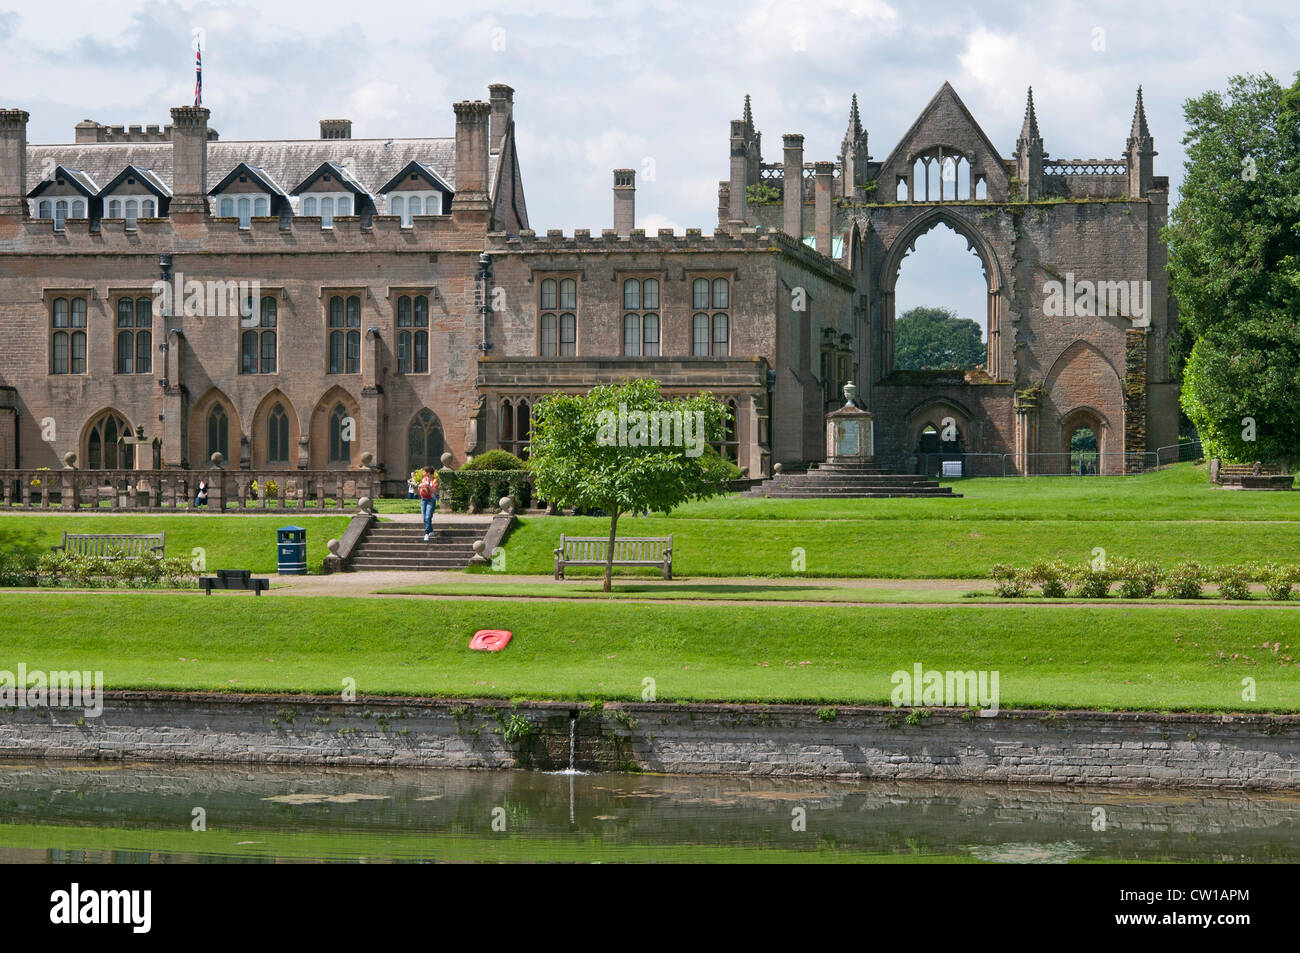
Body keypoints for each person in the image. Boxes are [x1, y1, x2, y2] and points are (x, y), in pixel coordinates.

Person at [418, 470, 439, 541]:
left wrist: (428, 486)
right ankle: (431, 531)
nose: (423, 473)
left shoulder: (435, 481)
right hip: (423, 499)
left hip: (431, 500)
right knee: (424, 518)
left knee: (428, 517)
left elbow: (435, 491)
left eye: (424, 472)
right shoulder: (424, 479)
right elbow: (420, 488)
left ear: (428, 473)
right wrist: (420, 487)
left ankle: (426, 534)